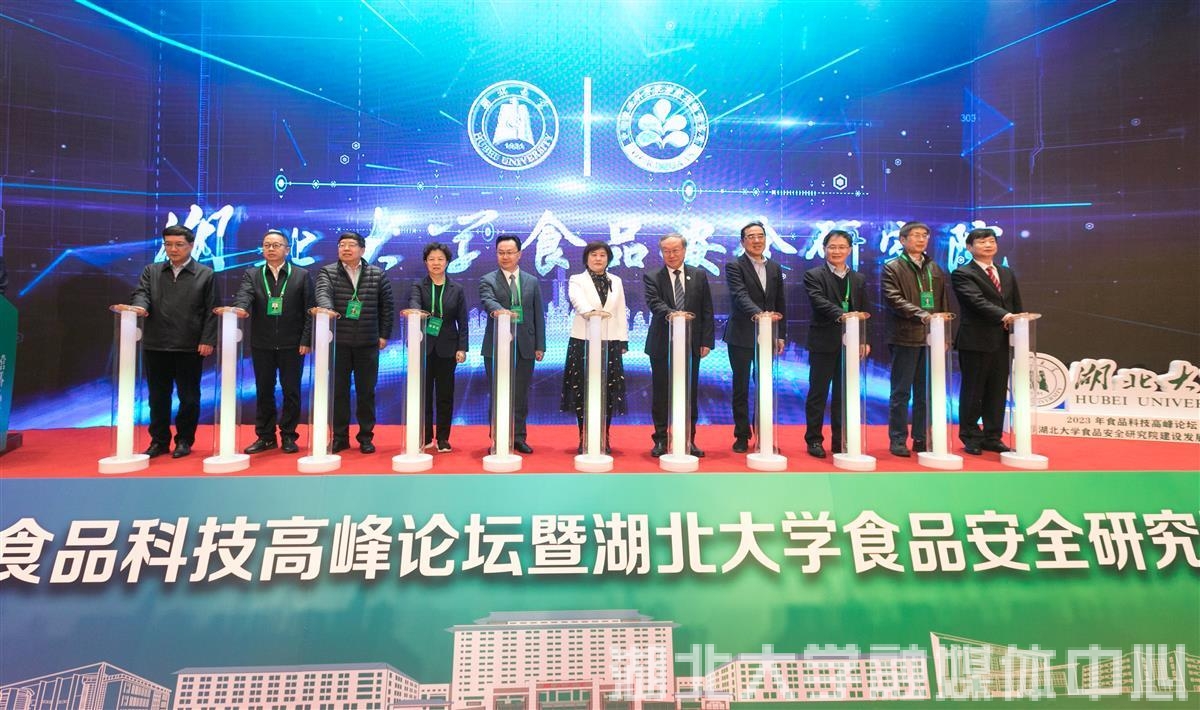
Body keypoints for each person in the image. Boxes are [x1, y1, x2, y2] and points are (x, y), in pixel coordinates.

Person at [117, 225, 218, 459]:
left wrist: (207, 339)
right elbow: (141, 294)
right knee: (157, 397)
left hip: (189, 345)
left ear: (191, 246)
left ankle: (184, 440)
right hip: (157, 343)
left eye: (179, 244)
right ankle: (159, 441)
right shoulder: (152, 271)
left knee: (189, 398)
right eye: (168, 244)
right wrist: (139, 307)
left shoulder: (205, 274)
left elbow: (211, 310)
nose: (173, 249)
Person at [231, 229, 314, 455]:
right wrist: (239, 308)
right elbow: (244, 295)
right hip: (262, 343)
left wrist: (306, 339)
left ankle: (288, 435)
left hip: (292, 344)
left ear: (287, 249)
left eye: (276, 245)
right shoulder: (252, 274)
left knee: (291, 391)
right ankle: (265, 437)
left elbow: (310, 310)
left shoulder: (301, 275)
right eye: (267, 245)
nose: (271, 249)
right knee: (264, 390)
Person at [315, 231, 394, 454]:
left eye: (351, 245)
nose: (346, 249)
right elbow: (322, 293)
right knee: (338, 392)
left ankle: (366, 437)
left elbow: (387, 307)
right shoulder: (328, 272)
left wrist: (383, 335)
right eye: (342, 245)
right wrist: (327, 309)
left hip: (367, 343)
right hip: (338, 343)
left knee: (366, 393)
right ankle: (340, 437)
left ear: (362, 249)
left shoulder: (377, 274)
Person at [951, 227, 1024, 456]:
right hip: (975, 340)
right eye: (982, 242)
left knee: (997, 390)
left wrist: (1017, 323)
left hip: (1002, 340)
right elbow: (976, 301)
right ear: (969, 247)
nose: (988, 245)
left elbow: (1015, 304)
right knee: (973, 390)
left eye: (991, 241)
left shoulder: (1006, 272)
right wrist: (1005, 316)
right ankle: (971, 436)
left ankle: (993, 436)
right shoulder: (963, 273)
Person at [881, 221, 950, 457]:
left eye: (925, 235)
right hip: (905, 336)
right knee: (901, 392)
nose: (921, 239)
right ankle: (898, 439)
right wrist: (922, 314)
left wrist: (944, 334)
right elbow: (893, 298)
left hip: (932, 338)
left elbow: (943, 302)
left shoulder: (935, 268)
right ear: (902, 240)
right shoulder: (892, 267)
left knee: (926, 393)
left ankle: (921, 437)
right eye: (916, 235)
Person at [644, 233, 714, 458]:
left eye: (675, 250)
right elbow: (654, 303)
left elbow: (706, 309)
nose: (671, 255)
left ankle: (688, 440)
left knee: (689, 393)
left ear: (684, 250)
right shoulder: (652, 276)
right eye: (666, 251)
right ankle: (661, 440)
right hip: (661, 344)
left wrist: (706, 341)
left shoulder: (698, 275)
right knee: (661, 394)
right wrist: (676, 315)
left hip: (691, 345)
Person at [803, 230, 870, 458]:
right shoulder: (813, 275)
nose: (837, 251)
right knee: (818, 393)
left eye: (842, 247)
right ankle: (814, 440)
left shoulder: (858, 278)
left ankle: (840, 440)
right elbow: (818, 301)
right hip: (823, 342)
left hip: (851, 345)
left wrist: (864, 339)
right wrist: (844, 315)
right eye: (832, 247)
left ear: (849, 250)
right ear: (824, 249)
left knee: (844, 394)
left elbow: (865, 310)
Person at [723, 221, 786, 453]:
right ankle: (741, 435)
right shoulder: (734, 266)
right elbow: (739, 295)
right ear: (743, 242)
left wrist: (781, 333)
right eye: (751, 236)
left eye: (760, 236)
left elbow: (779, 301)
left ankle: (763, 434)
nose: (757, 240)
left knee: (764, 387)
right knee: (741, 387)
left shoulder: (775, 267)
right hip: (741, 335)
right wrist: (761, 315)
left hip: (768, 336)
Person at [560, 242, 628, 454]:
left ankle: (604, 435)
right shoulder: (576, 279)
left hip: (610, 341)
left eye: (602, 255)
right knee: (582, 390)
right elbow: (577, 300)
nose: (598, 259)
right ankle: (585, 435)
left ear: (608, 259)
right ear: (586, 258)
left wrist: (623, 340)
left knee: (608, 390)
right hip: (583, 341)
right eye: (593, 255)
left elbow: (620, 311)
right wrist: (592, 313)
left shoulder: (616, 281)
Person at [479, 234, 545, 454]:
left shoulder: (531, 281)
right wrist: (500, 311)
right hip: (496, 347)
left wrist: (540, 345)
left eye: (509, 252)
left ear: (519, 254)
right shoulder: (488, 280)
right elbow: (488, 300)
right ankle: (498, 438)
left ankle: (518, 437)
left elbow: (537, 314)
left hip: (525, 346)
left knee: (520, 395)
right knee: (498, 393)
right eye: (501, 253)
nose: (505, 256)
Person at [408, 242, 468, 452]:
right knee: (423, 395)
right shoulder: (418, 286)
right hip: (423, 347)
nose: (436, 263)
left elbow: (463, 321)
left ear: (447, 262)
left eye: (440, 259)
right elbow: (414, 304)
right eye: (431, 259)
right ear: (425, 262)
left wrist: (462, 348)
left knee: (445, 395)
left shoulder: (457, 289)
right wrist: (416, 312)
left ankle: (443, 438)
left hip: (448, 348)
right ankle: (425, 437)